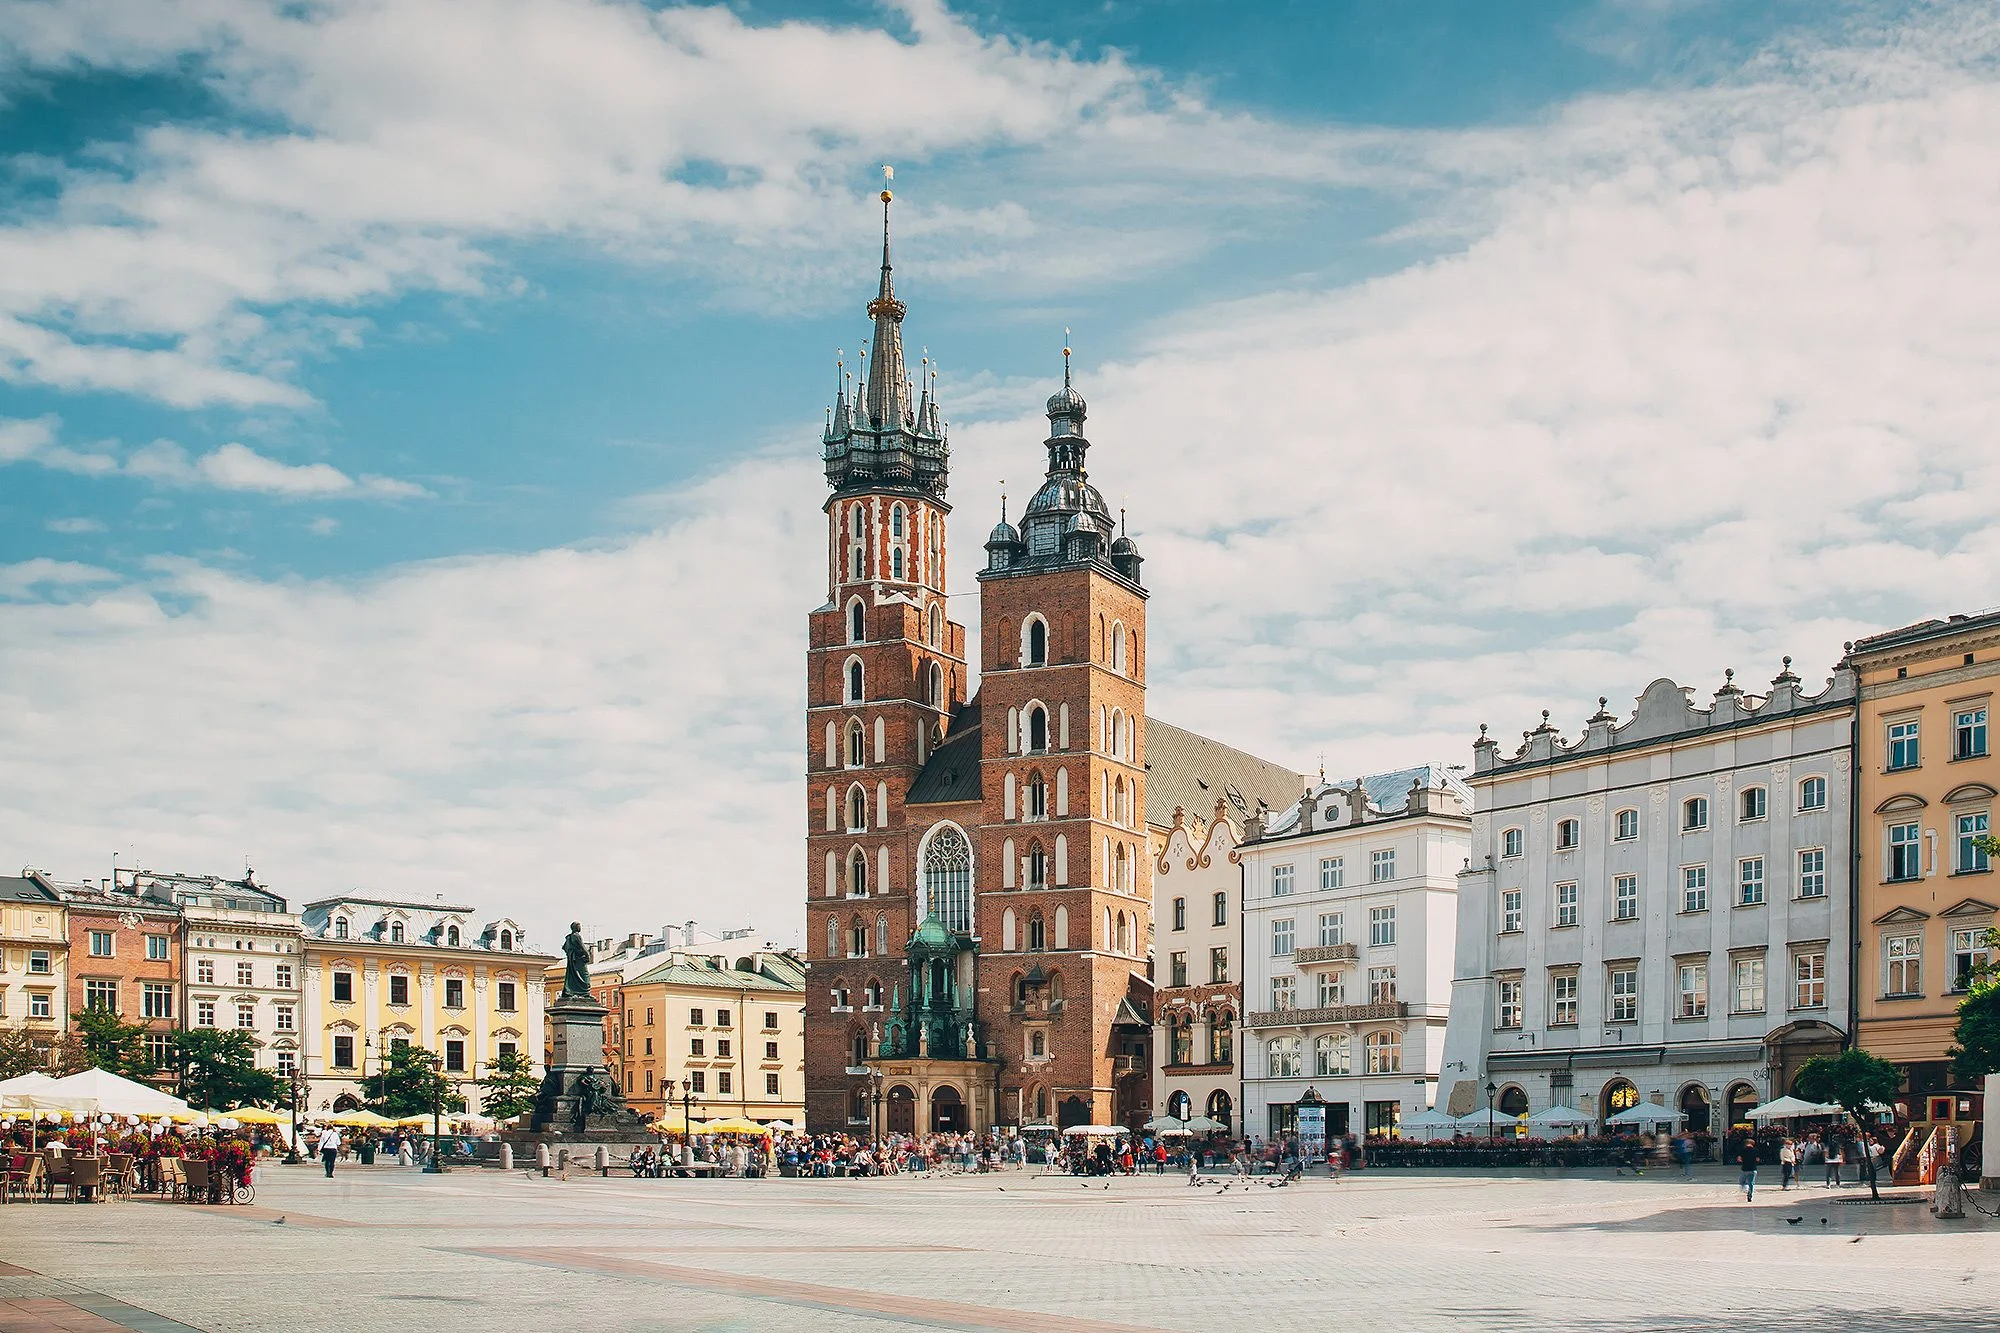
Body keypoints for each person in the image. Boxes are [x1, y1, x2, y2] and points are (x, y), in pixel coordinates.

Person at [1735, 1137, 1759, 1202]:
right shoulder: (1755, 1150)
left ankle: (1746, 1189)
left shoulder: (1742, 1150)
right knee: (1751, 1183)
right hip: (1753, 1168)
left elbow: (1739, 1159)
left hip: (1745, 1168)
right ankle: (1750, 1195)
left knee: (1742, 1181)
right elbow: (1757, 1159)